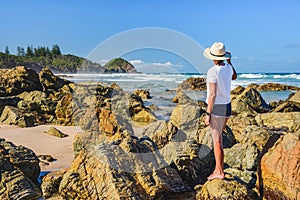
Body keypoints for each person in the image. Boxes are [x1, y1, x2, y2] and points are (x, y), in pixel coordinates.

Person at [203, 42, 237, 180]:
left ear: (213, 57)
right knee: (220, 139)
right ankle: (219, 169)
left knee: (217, 141)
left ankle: (219, 171)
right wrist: (230, 61)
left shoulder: (212, 71)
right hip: (227, 106)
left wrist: (207, 113)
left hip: (217, 108)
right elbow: (234, 76)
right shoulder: (228, 67)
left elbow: (212, 95)